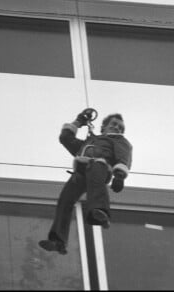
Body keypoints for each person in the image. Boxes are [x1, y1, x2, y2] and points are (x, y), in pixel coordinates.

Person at [39, 108, 133, 254]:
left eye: (120, 127)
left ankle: (100, 212)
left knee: (96, 178)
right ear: (103, 127)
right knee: (65, 200)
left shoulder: (119, 141)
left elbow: (123, 157)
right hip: (81, 170)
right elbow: (65, 138)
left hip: (101, 166)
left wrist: (119, 176)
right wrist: (79, 121)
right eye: (114, 124)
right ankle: (58, 239)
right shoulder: (89, 142)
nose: (117, 128)